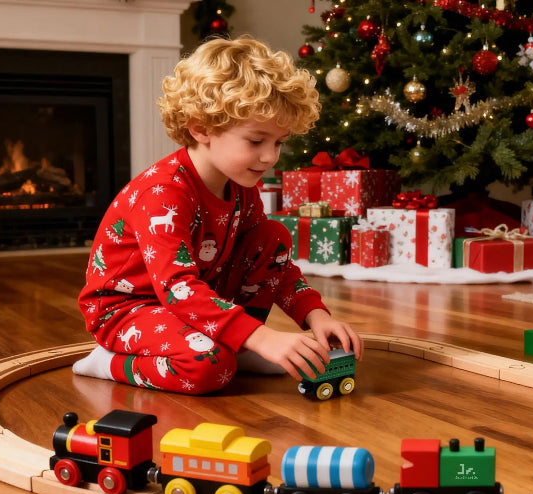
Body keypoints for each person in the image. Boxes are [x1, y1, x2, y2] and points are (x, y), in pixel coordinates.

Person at [72, 36, 362, 395]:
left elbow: (277, 264)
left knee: (272, 236)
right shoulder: (163, 195)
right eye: (256, 142)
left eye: (278, 142)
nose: (271, 157)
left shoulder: (241, 184)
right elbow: (177, 288)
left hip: (195, 295)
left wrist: (316, 314)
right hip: (127, 310)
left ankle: (240, 343)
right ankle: (107, 362)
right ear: (201, 128)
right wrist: (264, 337)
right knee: (210, 367)